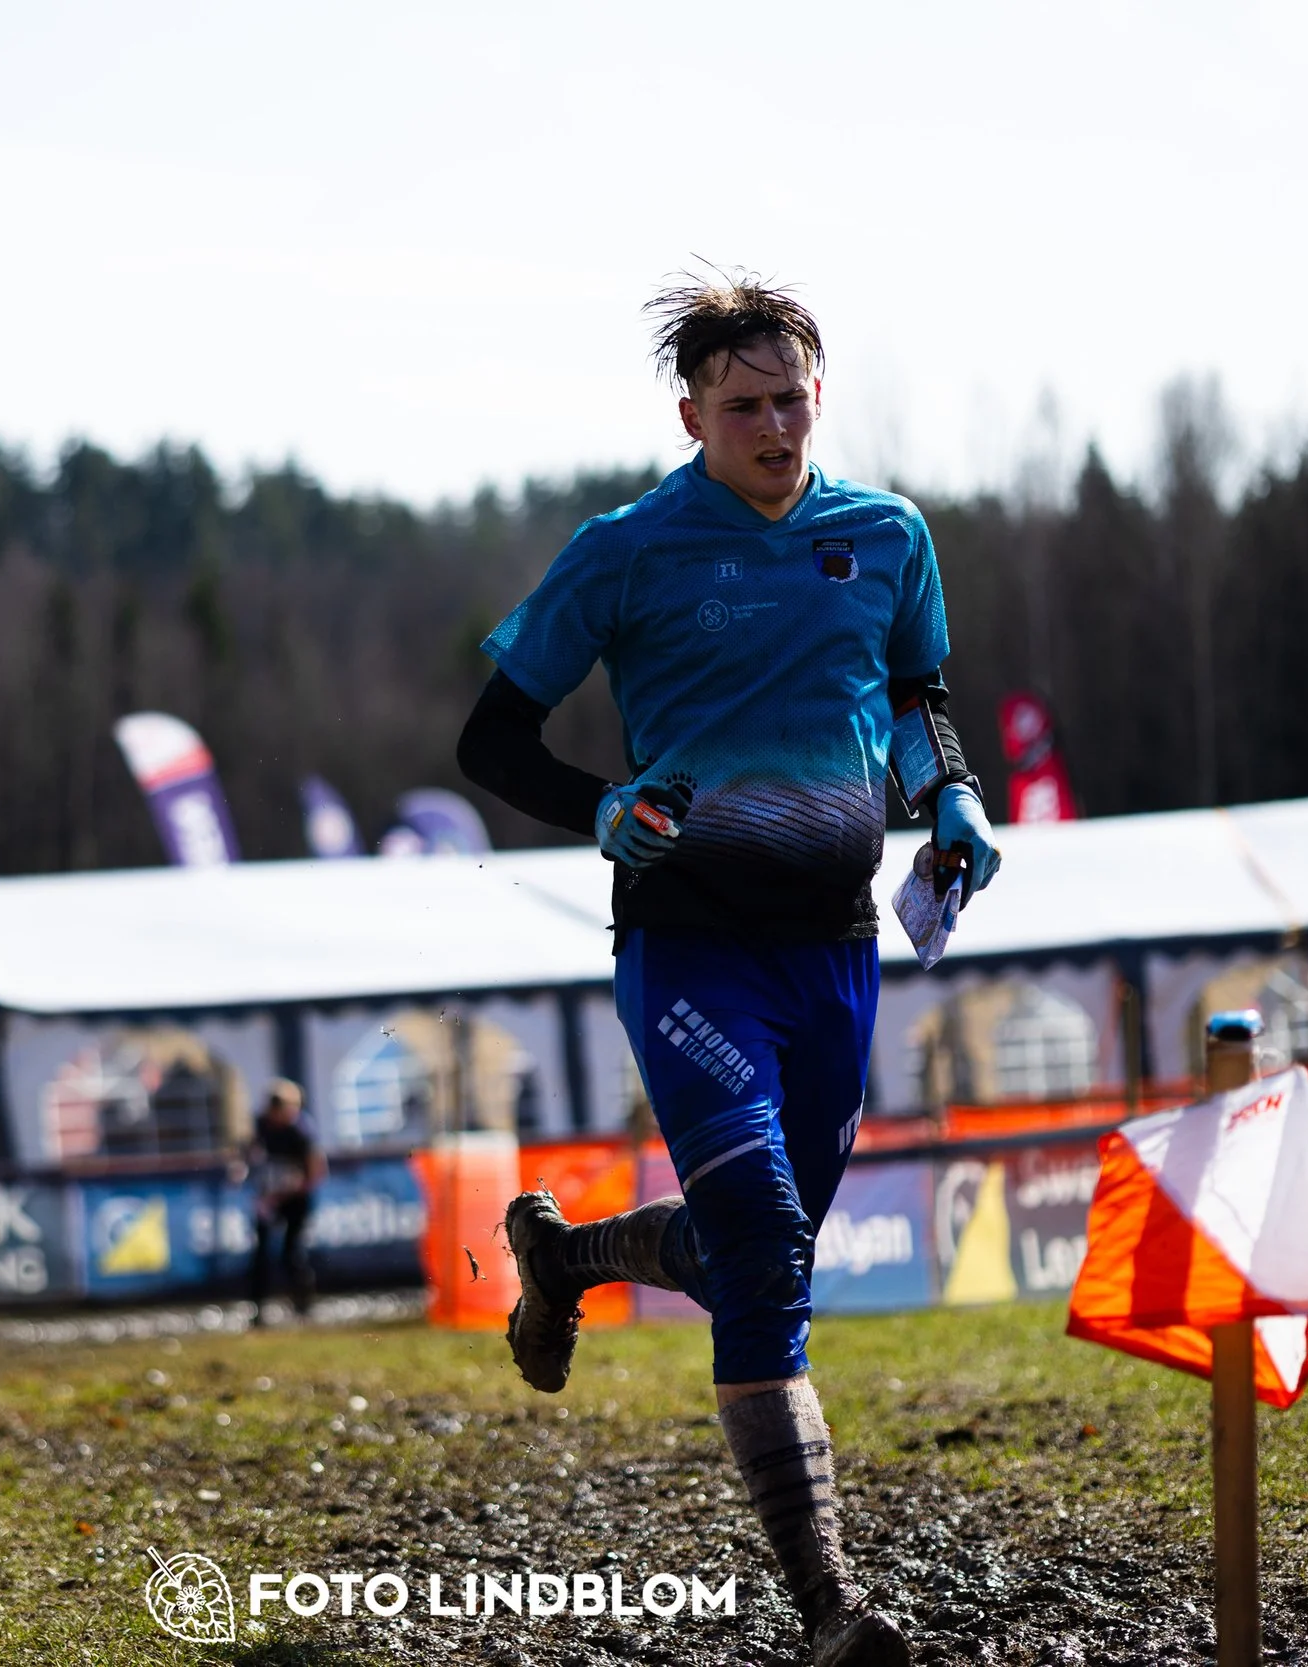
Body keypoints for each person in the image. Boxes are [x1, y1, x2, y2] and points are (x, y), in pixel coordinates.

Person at [456, 270, 1002, 1667]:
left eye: (792, 398)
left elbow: (915, 694)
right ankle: (831, 1610)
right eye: (744, 403)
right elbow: (492, 740)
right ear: (691, 408)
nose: (773, 424)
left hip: (835, 944)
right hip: (689, 941)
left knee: (766, 1251)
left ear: (821, 395)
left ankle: (565, 1253)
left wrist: (951, 798)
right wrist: (594, 808)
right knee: (762, 1250)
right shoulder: (628, 548)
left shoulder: (885, 534)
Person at [244, 1078, 325, 1319]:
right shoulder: (262, 1126)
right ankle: (258, 1309)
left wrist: (286, 1191)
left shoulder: (301, 1132)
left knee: (292, 1252)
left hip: (294, 1199)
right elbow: (249, 1153)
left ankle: (303, 1306)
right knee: (260, 1253)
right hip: (269, 1199)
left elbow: (316, 1172)